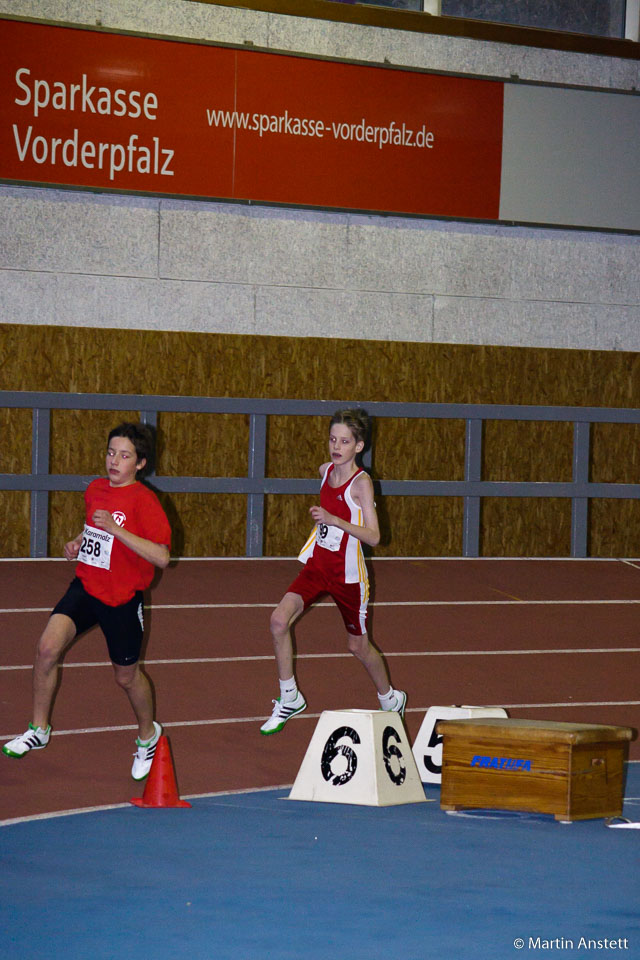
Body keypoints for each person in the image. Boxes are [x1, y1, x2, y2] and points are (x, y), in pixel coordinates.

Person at [3, 422, 171, 780]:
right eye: (111, 452)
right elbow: (94, 527)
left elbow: (161, 557)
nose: (114, 461)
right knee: (46, 649)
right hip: (86, 586)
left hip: (122, 599)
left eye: (124, 456)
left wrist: (116, 529)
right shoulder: (95, 489)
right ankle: (39, 729)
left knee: (126, 678)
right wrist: (78, 541)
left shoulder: (146, 501)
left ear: (140, 463)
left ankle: (147, 735)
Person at [260, 408, 406, 735]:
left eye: (344, 441)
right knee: (278, 620)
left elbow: (375, 535)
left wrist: (336, 520)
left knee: (357, 646)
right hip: (318, 566)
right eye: (332, 439)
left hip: (348, 577)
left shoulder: (362, 484)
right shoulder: (325, 471)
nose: (336, 447)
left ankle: (390, 698)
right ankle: (289, 697)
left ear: (359, 446)